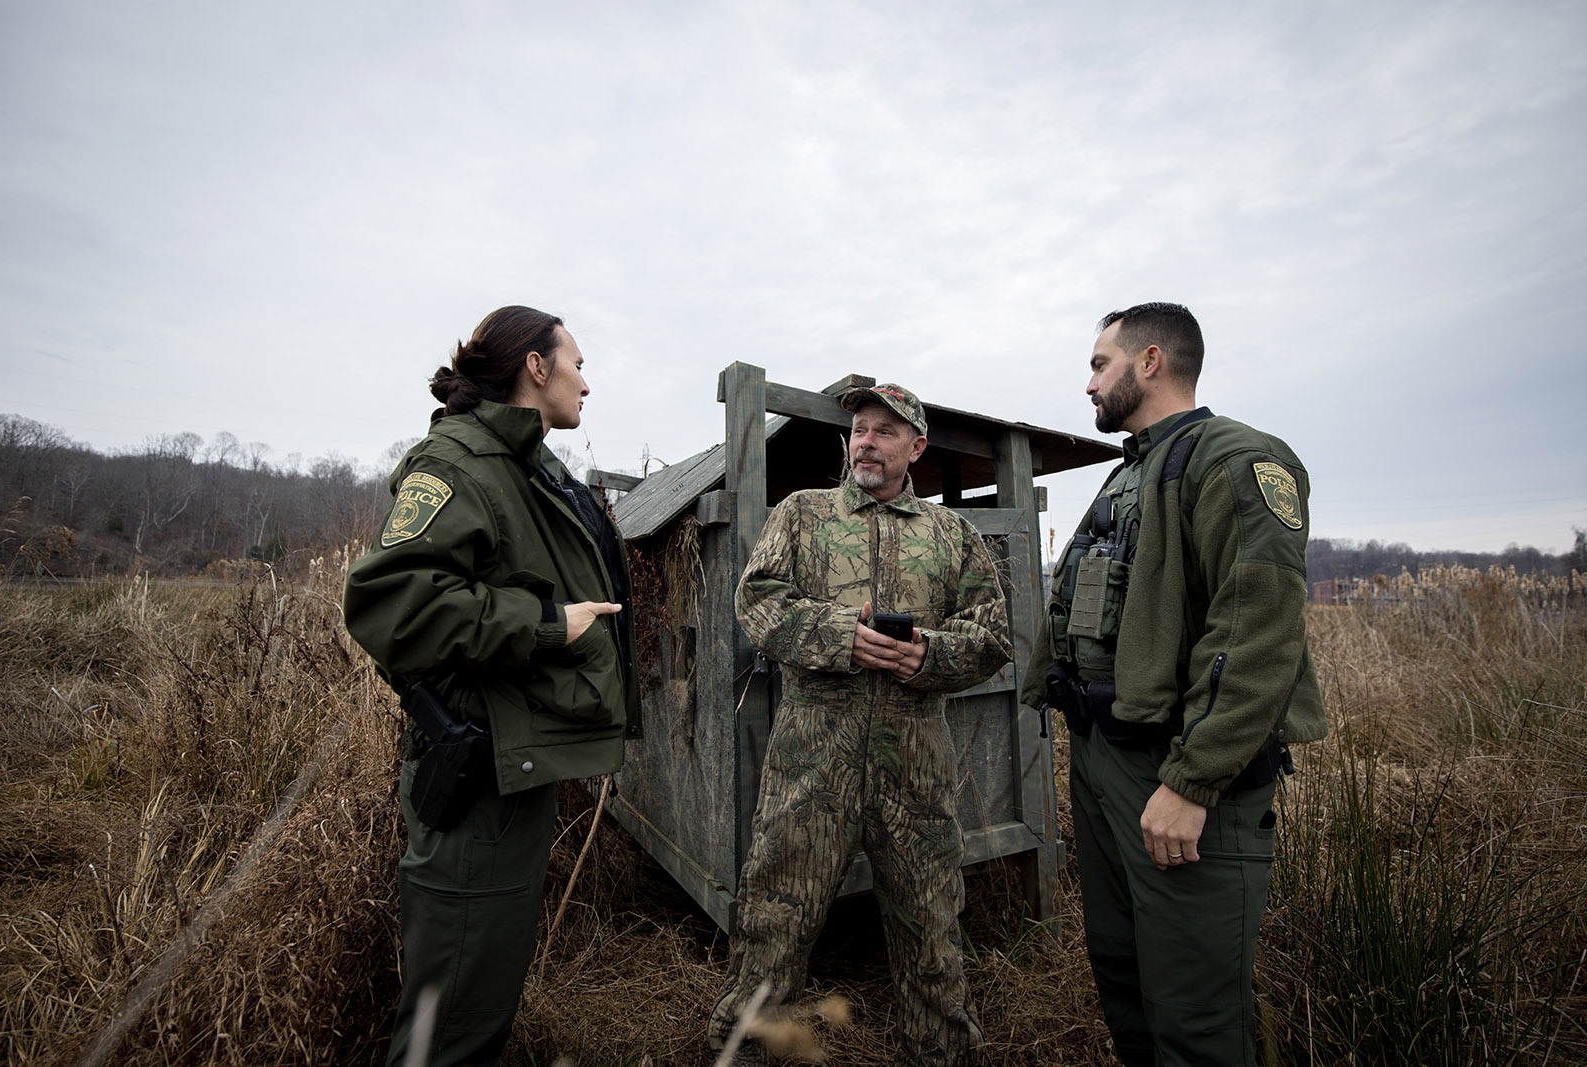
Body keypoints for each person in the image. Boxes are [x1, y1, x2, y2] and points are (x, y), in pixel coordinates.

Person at [1022, 302, 1328, 1066]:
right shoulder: (1134, 470)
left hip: (1181, 777)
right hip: (1108, 763)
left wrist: (1192, 782)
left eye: (1100, 364)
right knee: (1126, 987)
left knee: (1195, 1020)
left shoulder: (1236, 460)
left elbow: (1255, 633)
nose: (1088, 382)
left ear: (1150, 361)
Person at [343, 305, 640, 1067]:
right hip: (478, 778)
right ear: (534, 368)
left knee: (479, 1000)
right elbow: (392, 605)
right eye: (576, 360)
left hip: (513, 767)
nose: (587, 380)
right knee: (453, 1028)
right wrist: (545, 622)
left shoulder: (523, 463)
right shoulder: (458, 463)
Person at [707, 383, 1013, 1067]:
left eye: (884, 430)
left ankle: (941, 1055)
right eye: (860, 430)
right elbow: (757, 600)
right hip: (812, 767)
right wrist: (839, 636)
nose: (867, 441)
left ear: (916, 446)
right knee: (773, 923)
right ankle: (743, 1054)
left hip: (915, 769)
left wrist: (926, 652)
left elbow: (992, 634)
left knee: (932, 928)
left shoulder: (949, 533)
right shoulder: (804, 515)